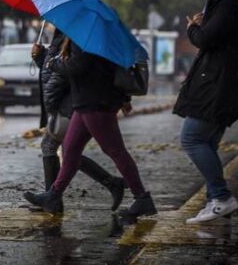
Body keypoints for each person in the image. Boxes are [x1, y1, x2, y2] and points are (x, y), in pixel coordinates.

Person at [24, 39, 156, 218]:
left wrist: (51, 62)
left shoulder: (84, 38)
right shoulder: (92, 36)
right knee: (70, 149)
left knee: (116, 151)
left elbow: (77, 66)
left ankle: (142, 198)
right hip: (85, 100)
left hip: (96, 101)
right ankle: (53, 195)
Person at [175, 0, 238, 224]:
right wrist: (209, 11)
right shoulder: (235, 7)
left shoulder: (230, 8)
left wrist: (192, 27)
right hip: (226, 82)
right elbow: (215, 36)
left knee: (191, 138)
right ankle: (215, 202)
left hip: (219, 84)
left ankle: (221, 197)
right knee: (207, 143)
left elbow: (205, 40)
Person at [31, 29, 125, 211]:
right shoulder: (60, 36)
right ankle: (111, 183)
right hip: (68, 101)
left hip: (72, 101)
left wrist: (52, 63)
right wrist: (40, 57)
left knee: (53, 147)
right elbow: (52, 69)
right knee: (69, 152)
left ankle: (53, 199)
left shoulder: (73, 35)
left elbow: (70, 68)